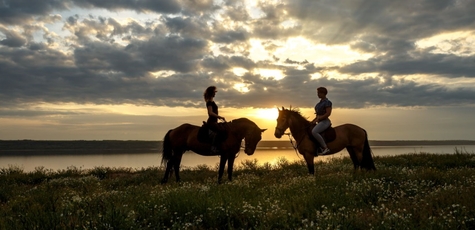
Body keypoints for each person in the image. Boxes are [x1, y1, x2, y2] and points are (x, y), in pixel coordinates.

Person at [203, 86, 226, 153]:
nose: (215, 94)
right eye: (214, 92)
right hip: (211, 122)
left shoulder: (212, 101)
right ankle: (214, 147)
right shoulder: (209, 102)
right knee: (219, 131)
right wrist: (219, 117)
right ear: (211, 93)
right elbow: (210, 113)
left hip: (214, 121)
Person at [311, 87, 332, 155]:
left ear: (323, 93)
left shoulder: (327, 102)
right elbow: (317, 115)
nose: (318, 94)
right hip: (319, 121)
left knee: (314, 131)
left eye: (319, 93)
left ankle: (325, 148)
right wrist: (312, 121)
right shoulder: (318, 104)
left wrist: (319, 119)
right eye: (318, 93)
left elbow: (328, 113)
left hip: (325, 121)